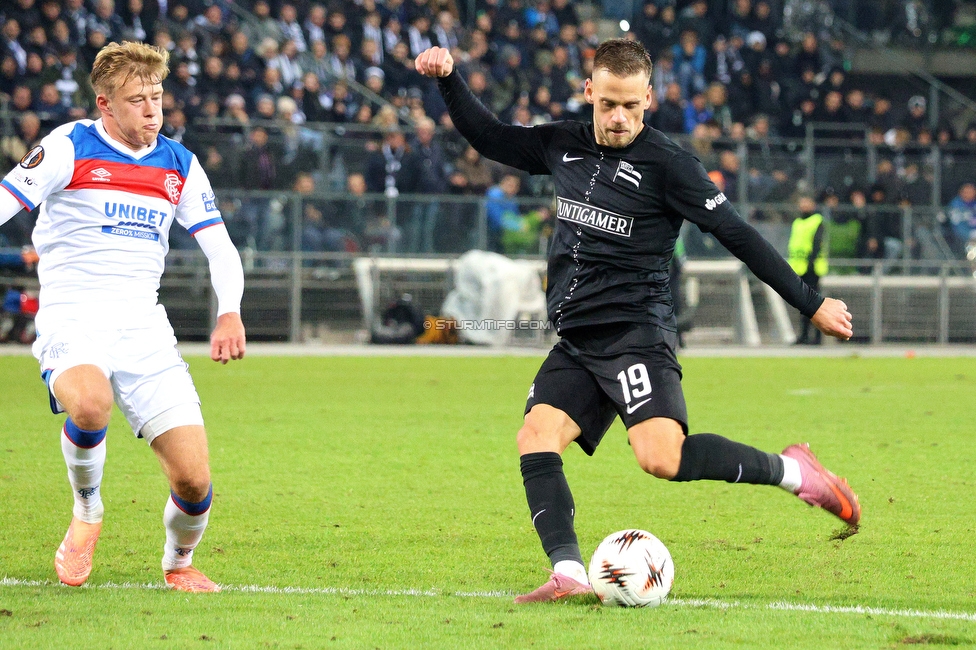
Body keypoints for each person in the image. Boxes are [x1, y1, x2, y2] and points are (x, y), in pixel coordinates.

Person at [415, 40, 859, 604]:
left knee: (660, 458)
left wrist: (811, 303)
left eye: (630, 105)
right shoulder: (562, 144)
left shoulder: (671, 165)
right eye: (608, 105)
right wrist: (449, 79)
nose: (619, 117)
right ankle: (570, 573)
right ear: (589, 94)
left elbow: (739, 236)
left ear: (648, 98)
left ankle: (795, 473)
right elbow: (491, 137)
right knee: (535, 436)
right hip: (577, 339)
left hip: (635, 335)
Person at [0, 41, 246, 593]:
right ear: (105, 104)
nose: (153, 111)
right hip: (73, 316)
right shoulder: (69, 145)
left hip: (144, 329)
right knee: (90, 405)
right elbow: (5, 201)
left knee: (195, 482)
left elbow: (221, 249)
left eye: (157, 97)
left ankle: (178, 563)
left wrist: (229, 312)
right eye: (138, 100)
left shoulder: (179, 163)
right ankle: (87, 514)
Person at [788, 194, 828, 345]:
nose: (803, 205)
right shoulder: (797, 222)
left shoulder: (817, 221)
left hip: (811, 269)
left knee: (814, 304)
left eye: (806, 202)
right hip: (798, 268)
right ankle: (804, 335)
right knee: (802, 305)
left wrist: (811, 262)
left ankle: (817, 337)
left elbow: (817, 244)